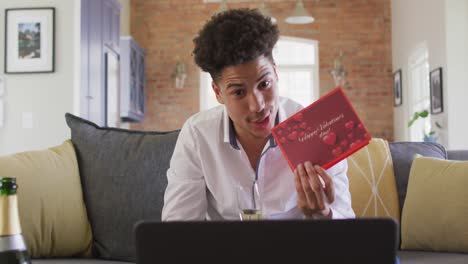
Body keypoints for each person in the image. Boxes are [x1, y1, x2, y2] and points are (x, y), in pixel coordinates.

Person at [162, 8, 355, 221]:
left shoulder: (319, 129)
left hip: (298, 250)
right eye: (238, 92)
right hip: (225, 252)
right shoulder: (197, 135)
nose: (257, 105)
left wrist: (323, 214)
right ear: (218, 93)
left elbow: (346, 225)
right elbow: (178, 228)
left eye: (264, 83)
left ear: (275, 72)